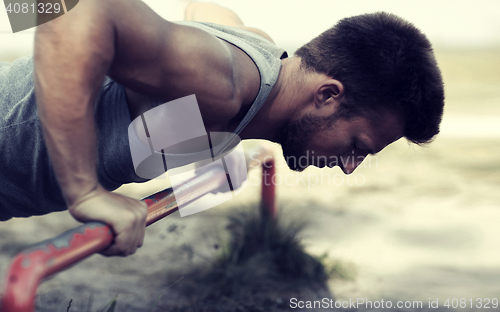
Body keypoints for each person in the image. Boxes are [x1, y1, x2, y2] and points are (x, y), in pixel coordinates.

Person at [0, 1, 444, 256]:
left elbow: (206, 8)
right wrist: (85, 193)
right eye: (357, 147)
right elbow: (75, 13)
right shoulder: (225, 84)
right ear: (328, 95)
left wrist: (215, 148)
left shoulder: (260, 58)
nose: (349, 168)